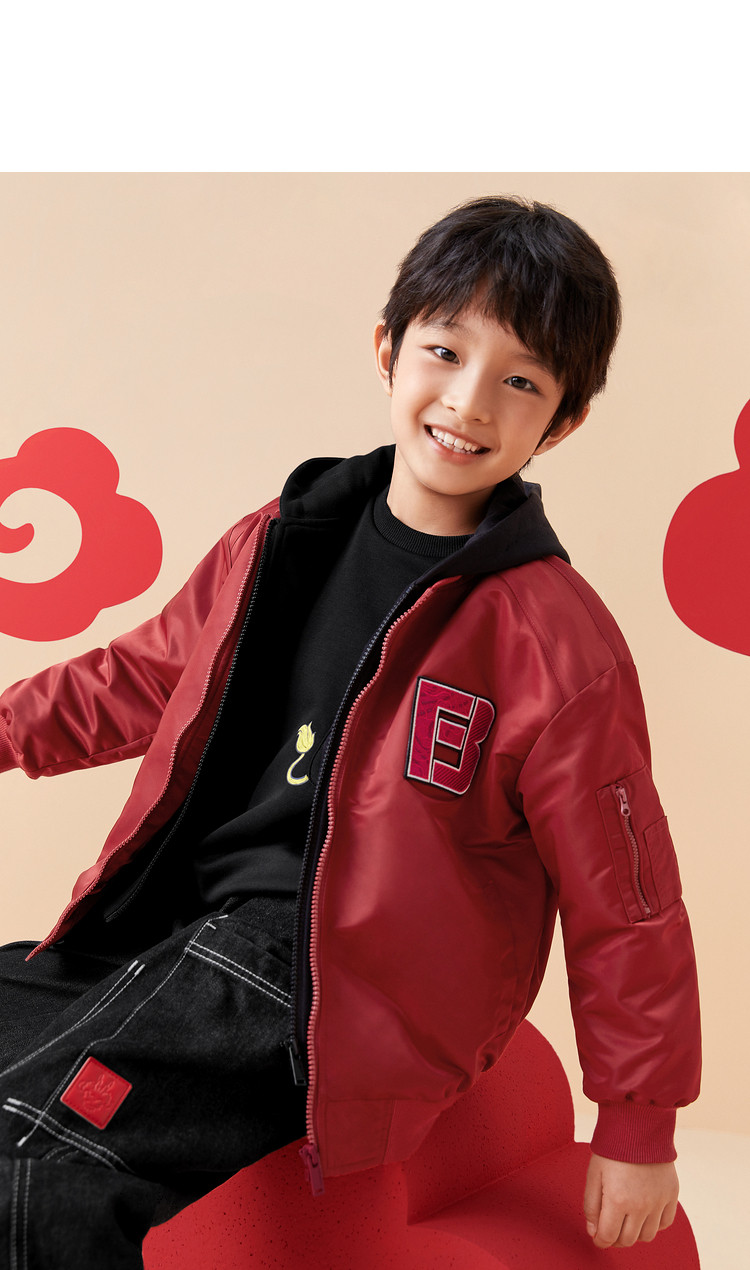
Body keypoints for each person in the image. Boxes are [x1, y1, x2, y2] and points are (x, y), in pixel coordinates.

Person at [0, 195, 701, 1267]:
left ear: (561, 423)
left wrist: (638, 1123)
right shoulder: (285, 537)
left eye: (520, 382)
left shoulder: (555, 643)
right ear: (387, 350)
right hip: (183, 918)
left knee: (37, 1148)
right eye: (445, 351)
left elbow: (628, 900)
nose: (468, 402)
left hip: (339, 977)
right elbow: (142, 677)